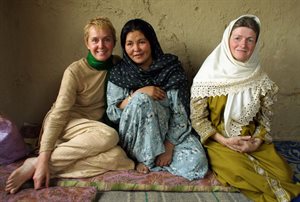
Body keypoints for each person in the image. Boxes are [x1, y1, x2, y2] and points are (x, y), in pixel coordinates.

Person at [5, 17, 134, 194]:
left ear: (114, 42)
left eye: (107, 39)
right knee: (110, 135)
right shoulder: (75, 71)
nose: (101, 45)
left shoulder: (118, 65)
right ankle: (38, 163)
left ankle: (41, 165)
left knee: (120, 158)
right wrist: (43, 156)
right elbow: (59, 113)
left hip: (92, 132)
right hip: (68, 123)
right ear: (87, 43)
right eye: (95, 40)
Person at [190, 14, 300, 202]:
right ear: (227, 40)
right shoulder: (207, 76)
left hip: (252, 140)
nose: (243, 45)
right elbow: (198, 120)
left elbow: (265, 118)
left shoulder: (259, 78)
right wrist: (225, 141)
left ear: (256, 44)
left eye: (250, 40)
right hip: (218, 140)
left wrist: (256, 141)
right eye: (238, 38)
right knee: (239, 171)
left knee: (283, 172)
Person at [106, 18, 208, 181]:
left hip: (167, 133)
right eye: (130, 44)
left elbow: (180, 114)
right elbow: (113, 113)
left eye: (141, 42)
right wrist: (139, 93)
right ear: (124, 47)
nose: (136, 49)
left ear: (151, 42)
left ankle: (152, 161)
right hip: (136, 138)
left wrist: (168, 147)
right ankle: (141, 159)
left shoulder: (170, 68)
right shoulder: (120, 73)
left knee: (197, 161)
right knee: (142, 100)